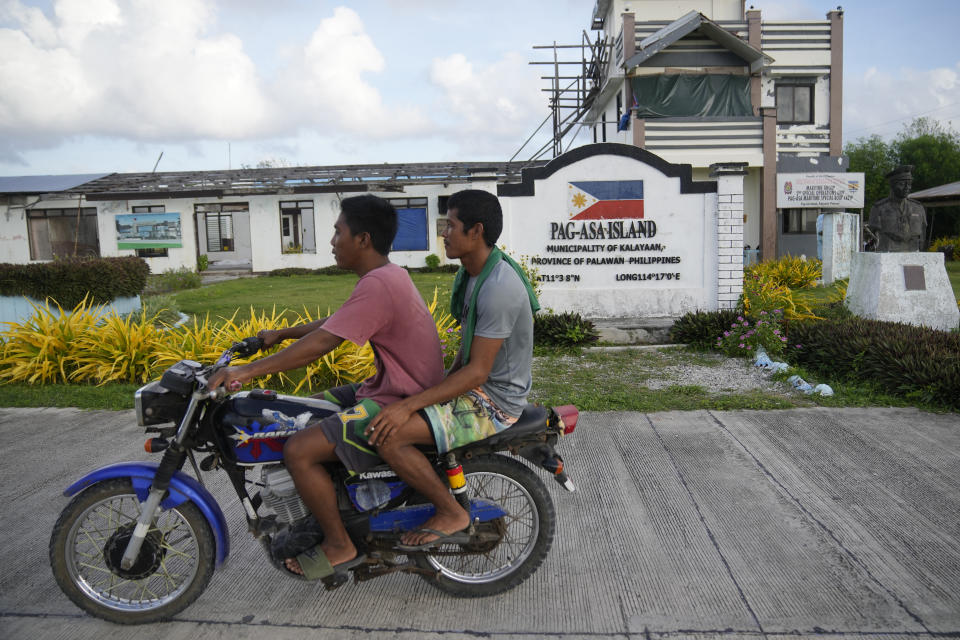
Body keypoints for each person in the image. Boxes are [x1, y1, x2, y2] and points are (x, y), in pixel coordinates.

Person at [207, 194, 444, 580]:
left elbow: (322, 344)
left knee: (300, 449)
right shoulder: (384, 276)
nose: (333, 240)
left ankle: (339, 544)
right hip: (389, 387)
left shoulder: (380, 284)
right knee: (298, 411)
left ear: (363, 239)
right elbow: (336, 322)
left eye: (338, 231)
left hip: (400, 398)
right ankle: (330, 505)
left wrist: (246, 373)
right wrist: (281, 333)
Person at [363, 189, 539, 549]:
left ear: (476, 231)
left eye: (451, 225)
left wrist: (410, 405)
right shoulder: (474, 274)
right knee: (391, 406)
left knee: (390, 434)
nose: (444, 232)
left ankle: (450, 511)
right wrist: (433, 386)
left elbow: (477, 373)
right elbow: (469, 347)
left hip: (494, 401)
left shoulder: (500, 287)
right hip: (478, 386)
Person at [866, 164, 927, 252]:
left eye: (909, 184)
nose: (907, 188)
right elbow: (873, 229)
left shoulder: (918, 208)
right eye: (902, 184)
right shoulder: (879, 208)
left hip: (912, 250)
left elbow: (922, 231)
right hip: (888, 249)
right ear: (892, 185)